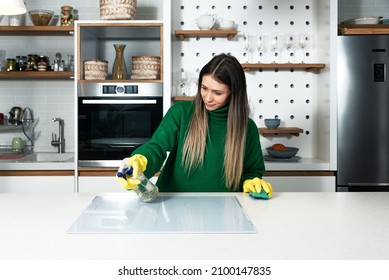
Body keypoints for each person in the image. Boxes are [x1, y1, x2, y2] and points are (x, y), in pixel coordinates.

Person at [117, 53, 272, 198]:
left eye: (218, 93)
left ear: (234, 93)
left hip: (224, 209)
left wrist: (251, 181)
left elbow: (252, 170)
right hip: (173, 206)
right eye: (204, 88)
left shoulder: (247, 128)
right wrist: (140, 160)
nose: (208, 98)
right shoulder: (181, 112)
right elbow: (157, 147)